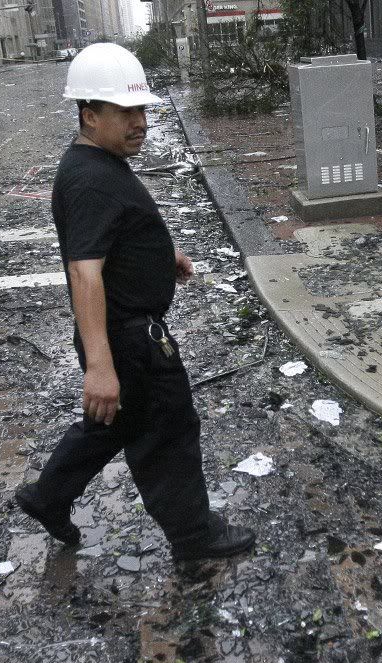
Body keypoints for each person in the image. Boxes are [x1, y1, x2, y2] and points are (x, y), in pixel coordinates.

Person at [14, 43, 255, 562]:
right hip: (128, 337)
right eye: (126, 112)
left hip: (122, 331)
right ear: (89, 115)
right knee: (168, 428)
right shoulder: (91, 180)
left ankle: (48, 497)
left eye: (142, 109)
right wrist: (100, 365)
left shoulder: (97, 164)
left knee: (116, 421)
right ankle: (195, 537)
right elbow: (85, 271)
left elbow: (116, 233)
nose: (140, 122)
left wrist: (163, 253)